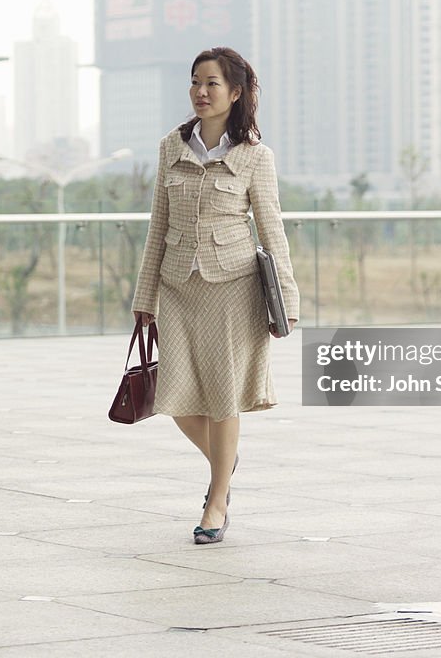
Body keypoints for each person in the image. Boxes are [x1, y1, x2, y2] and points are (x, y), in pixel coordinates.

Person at [131, 47, 299, 545]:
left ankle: (217, 498)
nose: (200, 93)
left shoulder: (254, 157)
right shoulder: (171, 147)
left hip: (234, 287)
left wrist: (286, 300)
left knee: (224, 397)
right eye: (195, 83)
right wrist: (144, 296)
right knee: (175, 396)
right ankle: (224, 462)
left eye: (212, 84)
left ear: (236, 92)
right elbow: (157, 226)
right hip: (178, 286)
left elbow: (272, 230)